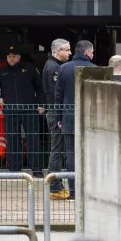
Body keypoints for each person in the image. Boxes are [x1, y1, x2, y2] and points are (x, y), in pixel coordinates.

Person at [0, 46, 46, 177]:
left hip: (29, 110)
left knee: (33, 139)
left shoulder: (29, 69)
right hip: (10, 110)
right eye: (9, 56)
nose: (11, 59)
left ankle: (36, 170)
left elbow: (40, 87)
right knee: (12, 139)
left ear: (19, 57)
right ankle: (14, 169)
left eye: (14, 56)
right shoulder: (1, 71)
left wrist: (42, 104)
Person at [55, 40, 96, 200]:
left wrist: (59, 117)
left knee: (70, 154)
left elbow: (58, 96)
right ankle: (89, 190)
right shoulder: (94, 70)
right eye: (92, 52)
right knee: (90, 154)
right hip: (89, 118)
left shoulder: (63, 68)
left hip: (69, 117)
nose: (92, 55)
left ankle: (73, 191)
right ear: (87, 53)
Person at [42, 39, 71, 199]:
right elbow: (56, 94)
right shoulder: (54, 68)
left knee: (57, 150)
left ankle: (55, 185)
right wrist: (60, 114)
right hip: (56, 112)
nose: (69, 52)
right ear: (58, 51)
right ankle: (55, 187)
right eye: (66, 50)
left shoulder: (51, 65)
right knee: (57, 151)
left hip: (54, 111)